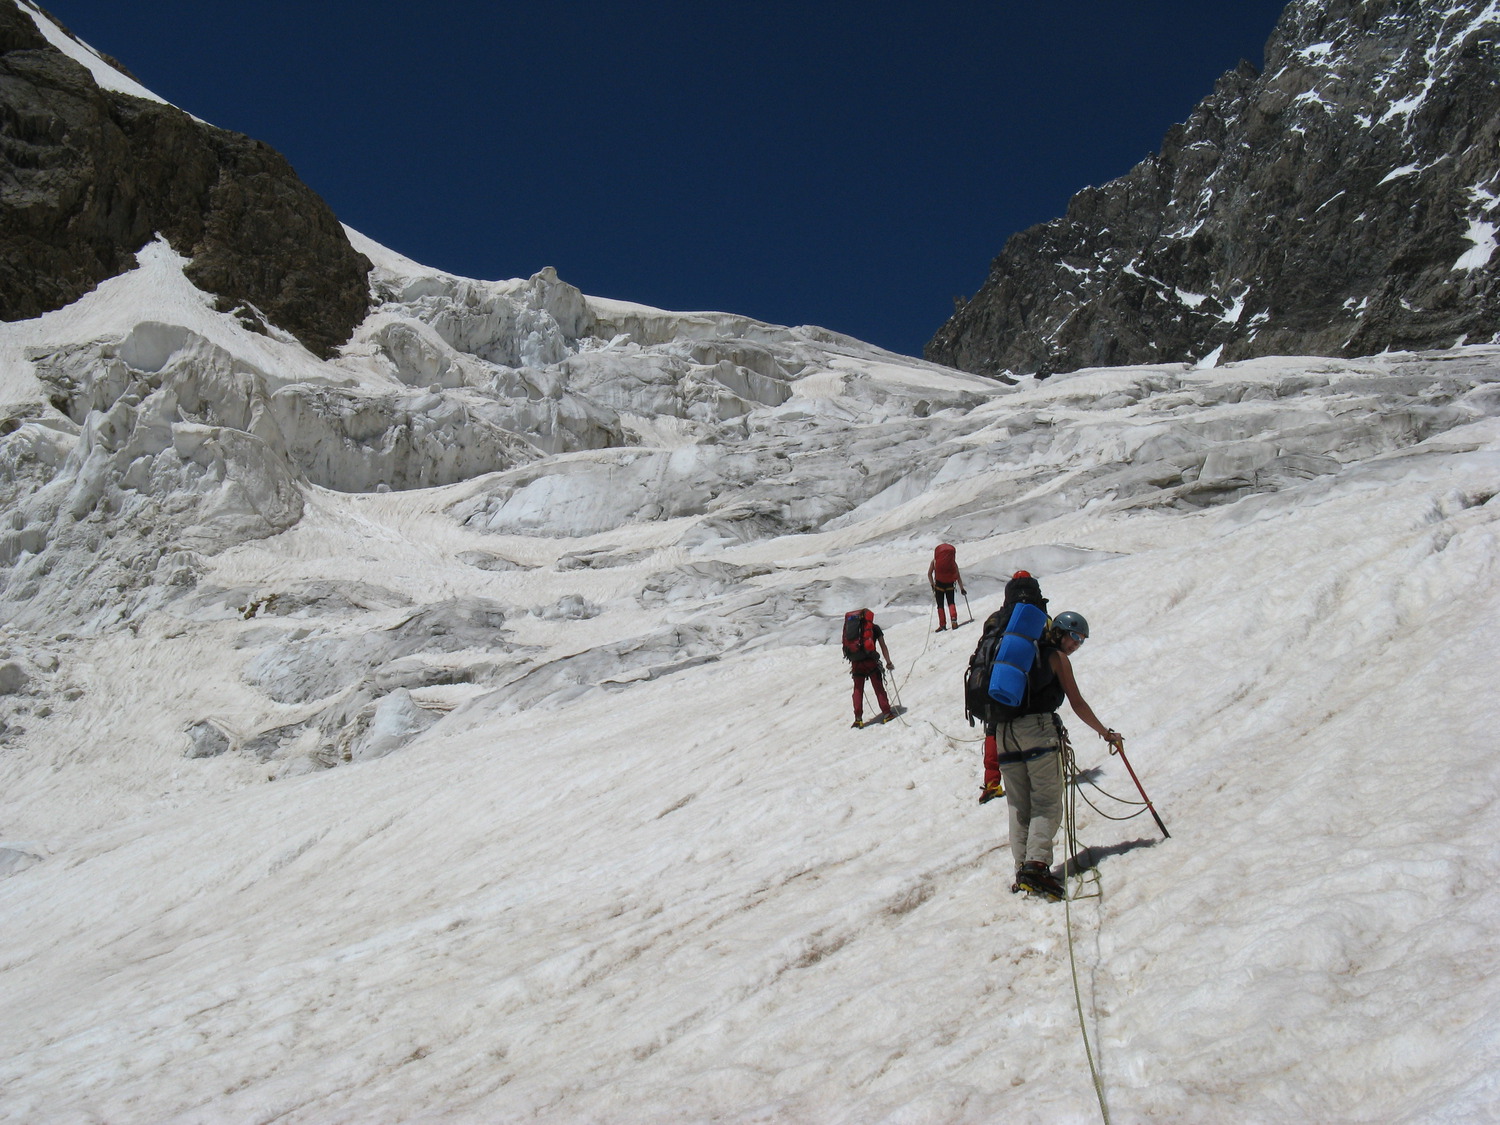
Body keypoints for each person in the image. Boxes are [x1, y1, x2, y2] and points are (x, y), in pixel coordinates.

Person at [992, 610, 1122, 900]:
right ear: (1060, 632)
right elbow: (1077, 703)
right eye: (1074, 636)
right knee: (1047, 801)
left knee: (1018, 806)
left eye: (1082, 640)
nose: (1076, 644)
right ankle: (1036, 868)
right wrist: (1105, 732)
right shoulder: (1056, 657)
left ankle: (1022, 870)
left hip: (1003, 735)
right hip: (1037, 732)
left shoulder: (1018, 655)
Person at [842, 608, 896, 728]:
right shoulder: (874, 628)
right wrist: (888, 662)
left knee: (858, 690)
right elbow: (883, 646)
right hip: (871, 661)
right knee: (878, 687)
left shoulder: (852, 629)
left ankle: (858, 719)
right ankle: (887, 713)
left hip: (856, 662)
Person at [927, 543, 966, 631]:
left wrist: (932, 585)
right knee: (951, 602)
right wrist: (962, 588)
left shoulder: (934, 561)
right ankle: (954, 619)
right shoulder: (952, 562)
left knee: (940, 605)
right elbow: (958, 575)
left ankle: (942, 624)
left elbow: (929, 574)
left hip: (939, 585)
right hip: (950, 584)